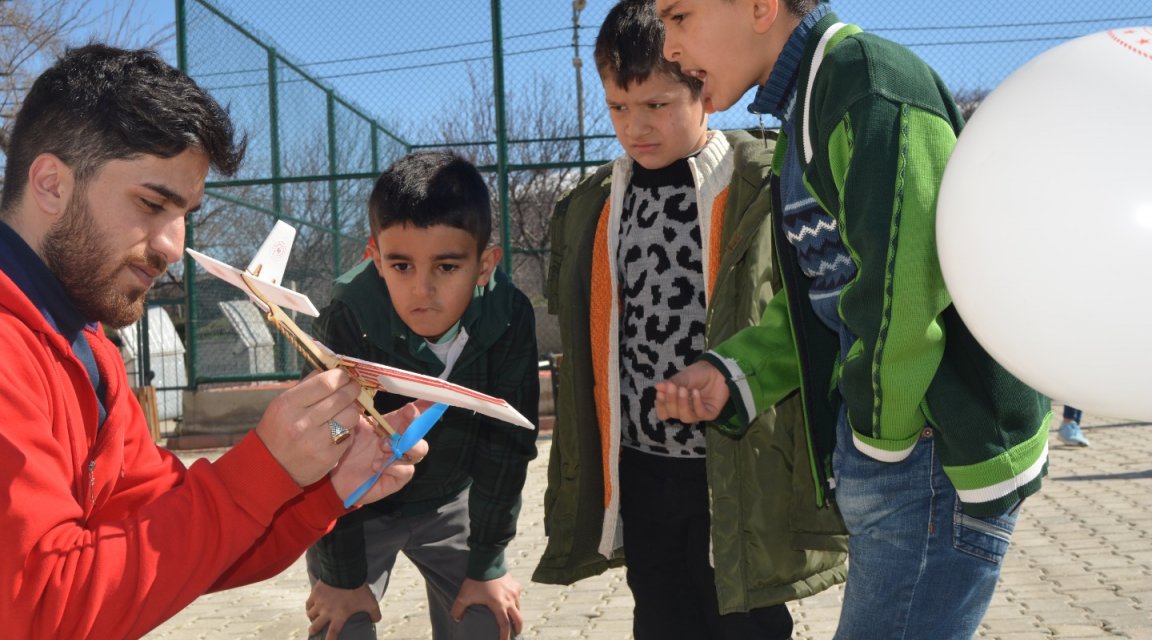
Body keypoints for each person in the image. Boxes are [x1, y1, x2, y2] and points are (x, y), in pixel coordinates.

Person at [0, 44, 427, 639]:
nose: (171, 245)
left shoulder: (81, 344)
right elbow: (47, 613)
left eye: (184, 211)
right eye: (151, 203)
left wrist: (322, 488)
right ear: (52, 184)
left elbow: (175, 540)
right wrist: (262, 470)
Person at [653, 1, 1053, 638]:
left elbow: (904, 289)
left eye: (679, 16)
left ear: (759, 7)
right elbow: (829, 295)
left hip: (928, 456)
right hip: (903, 456)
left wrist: (876, 444)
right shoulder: (808, 103)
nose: (668, 46)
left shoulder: (864, 85)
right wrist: (735, 371)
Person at [532, 2, 845, 638]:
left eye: (656, 105)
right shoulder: (594, 204)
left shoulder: (759, 181)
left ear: (703, 89)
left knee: (747, 615)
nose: (635, 126)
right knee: (660, 608)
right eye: (619, 107)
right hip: (642, 460)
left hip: (733, 460)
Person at [302, 150, 540, 640]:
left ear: (483, 264)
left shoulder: (509, 315)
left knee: (489, 622)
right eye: (402, 265)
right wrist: (342, 578)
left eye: (447, 266)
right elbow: (326, 452)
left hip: (453, 502)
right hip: (358, 511)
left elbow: (509, 445)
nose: (422, 290)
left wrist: (489, 561)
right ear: (375, 258)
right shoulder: (347, 318)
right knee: (340, 626)